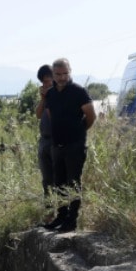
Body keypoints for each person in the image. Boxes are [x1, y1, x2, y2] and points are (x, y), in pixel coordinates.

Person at [36, 58, 96, 233]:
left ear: (70, 72)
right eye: (58, 74)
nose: (62, 78)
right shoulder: (51, 94)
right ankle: (61, 217)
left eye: (65, 74)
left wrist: (78, 131)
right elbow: (48, 115)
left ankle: (72, 220)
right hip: (57, 145)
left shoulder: (79, 92)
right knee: (59, 183)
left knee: (73, 183)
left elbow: (91, 116)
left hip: (75, 145)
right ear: (53, 75)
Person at [34, 64, 54, 201]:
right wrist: (43, 98)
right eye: (43, 82)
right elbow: (38, 115)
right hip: (44, 141)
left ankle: (61, 211)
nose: (45, 84)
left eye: (48, 81)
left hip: (57, 141)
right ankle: (48, 210)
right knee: (46, 179)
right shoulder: (46, 97)